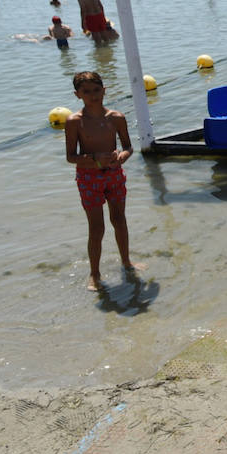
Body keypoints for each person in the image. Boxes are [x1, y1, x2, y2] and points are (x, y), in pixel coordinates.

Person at [64, 71, 140, 291]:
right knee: (96, 228)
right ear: (77, 95)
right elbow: (71, 156)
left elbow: (127, 146)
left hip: (114, 174)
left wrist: (122, 157)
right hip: (89, 178)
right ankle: (95, 274)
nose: (93, 95)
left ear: (104, 90)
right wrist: (95, 159)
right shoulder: (74, 122)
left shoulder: (116, 117)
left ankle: (127, 262)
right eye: (86, 92)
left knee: (119, 219)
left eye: (96, 90)